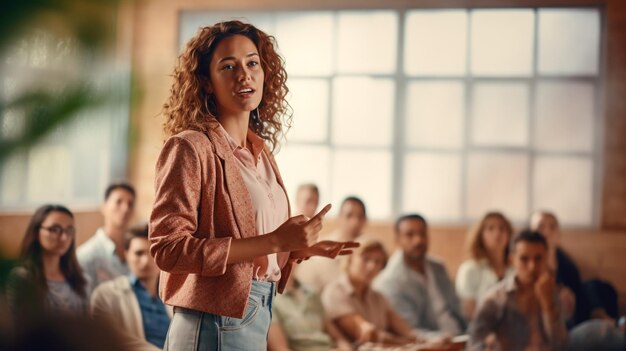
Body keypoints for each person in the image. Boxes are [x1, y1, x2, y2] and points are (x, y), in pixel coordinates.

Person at [150, 20, 358, 350]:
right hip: (212, 321)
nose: (244, 75)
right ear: (206, 82)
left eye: (252, 63)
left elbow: (256, 247)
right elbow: (168, 249)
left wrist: (294, 249)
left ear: (264, 73)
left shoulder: (261, 154)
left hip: (259, 311)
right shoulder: (190, 147)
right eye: (228, 66)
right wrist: (275, 239)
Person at [468, 230, 568, 351]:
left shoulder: (552, 292)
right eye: (524, 259)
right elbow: (474, 343)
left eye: (538, 259)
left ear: (546, 258)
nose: (532, 267)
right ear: (512, 260)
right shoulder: (495, 298)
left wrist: (547, 304)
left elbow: (561, 345)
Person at [373, 214, 466, 337]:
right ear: (397, 239)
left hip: (462, 337)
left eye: (422, 234)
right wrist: (444, 341)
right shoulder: (390, 281)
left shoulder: (438, 267)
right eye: (409, 235)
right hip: (431, 343)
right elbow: (410, 330)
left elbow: (458, 309)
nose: (418, 240)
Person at [321, 240, 423, 347]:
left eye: (378, 262)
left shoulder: (379, 297)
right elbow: (367, 334)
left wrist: (424, 340)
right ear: (350, 259)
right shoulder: (334, 293)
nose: (372, 267)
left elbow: (405, 330)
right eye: (366, 259)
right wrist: (408, 342)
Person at [530, 211, 619, 327]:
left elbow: (576, 288)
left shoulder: (564, 261)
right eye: (540, 227)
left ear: (558, 233)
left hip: (572, 309)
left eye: (552, 227)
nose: (547, 232)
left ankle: (602, 318)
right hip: (547, 313)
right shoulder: (529, 261)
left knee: (597, 286)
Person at [90, 223, 171, 351]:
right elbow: (109, 338)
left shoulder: (174, 297)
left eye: (153, 253)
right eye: (139, 253)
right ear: (126, 254)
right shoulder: (106, 295)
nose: (146, 261)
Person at [6, 205, 90, 326]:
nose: (64, 237)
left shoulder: (80, 278)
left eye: (69, 230)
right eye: (55, 229)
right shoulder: (22, 278)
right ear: (36, 232)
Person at [268, 265, 352, 351]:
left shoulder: (312, 292)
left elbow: (338, 338)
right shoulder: (270, 300)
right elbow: (280, 348)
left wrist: (345, 348)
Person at [296, 196, 367, 292]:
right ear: (339, 218)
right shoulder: (320, 248)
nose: (355, 222)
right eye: (349, 215)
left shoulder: (370, 251)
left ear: (365, 220)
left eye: (360, 216)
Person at [456, 212, 515, 320]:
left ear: (509, 235)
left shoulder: (515, 270)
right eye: (490, 228)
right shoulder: (469, 269)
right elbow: (469, 311)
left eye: (502, 228)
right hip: (479, 330)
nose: (497, 234)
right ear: (480, 235)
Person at [78, 182, 135, 288]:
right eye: (118, 202)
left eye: (130, 204)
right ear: (104, 207)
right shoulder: (86, 256)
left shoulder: (137, 251)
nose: (125, 208)